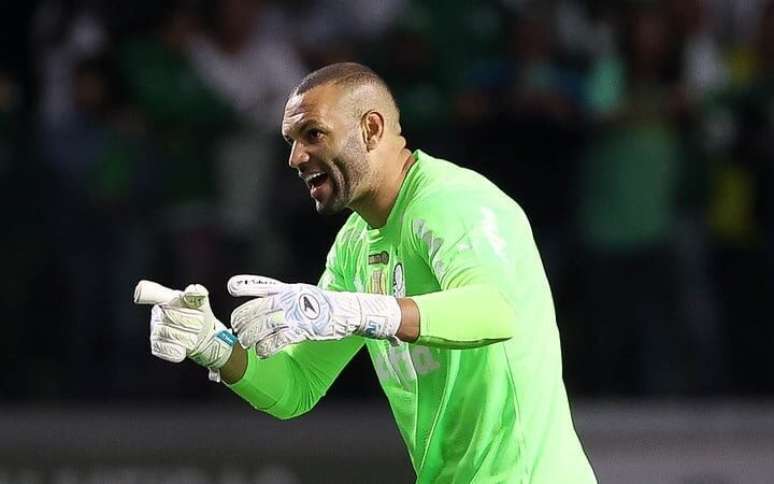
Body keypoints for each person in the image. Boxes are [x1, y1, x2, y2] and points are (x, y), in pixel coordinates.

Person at [144, 63, 597, 483]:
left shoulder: (453, 202)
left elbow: (496, 311)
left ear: (371, 128)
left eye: (313, 134)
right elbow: (296, 385)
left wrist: (361, 310)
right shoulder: (354, 246)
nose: (296, 157)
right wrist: (214, 345)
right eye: (291, 142)